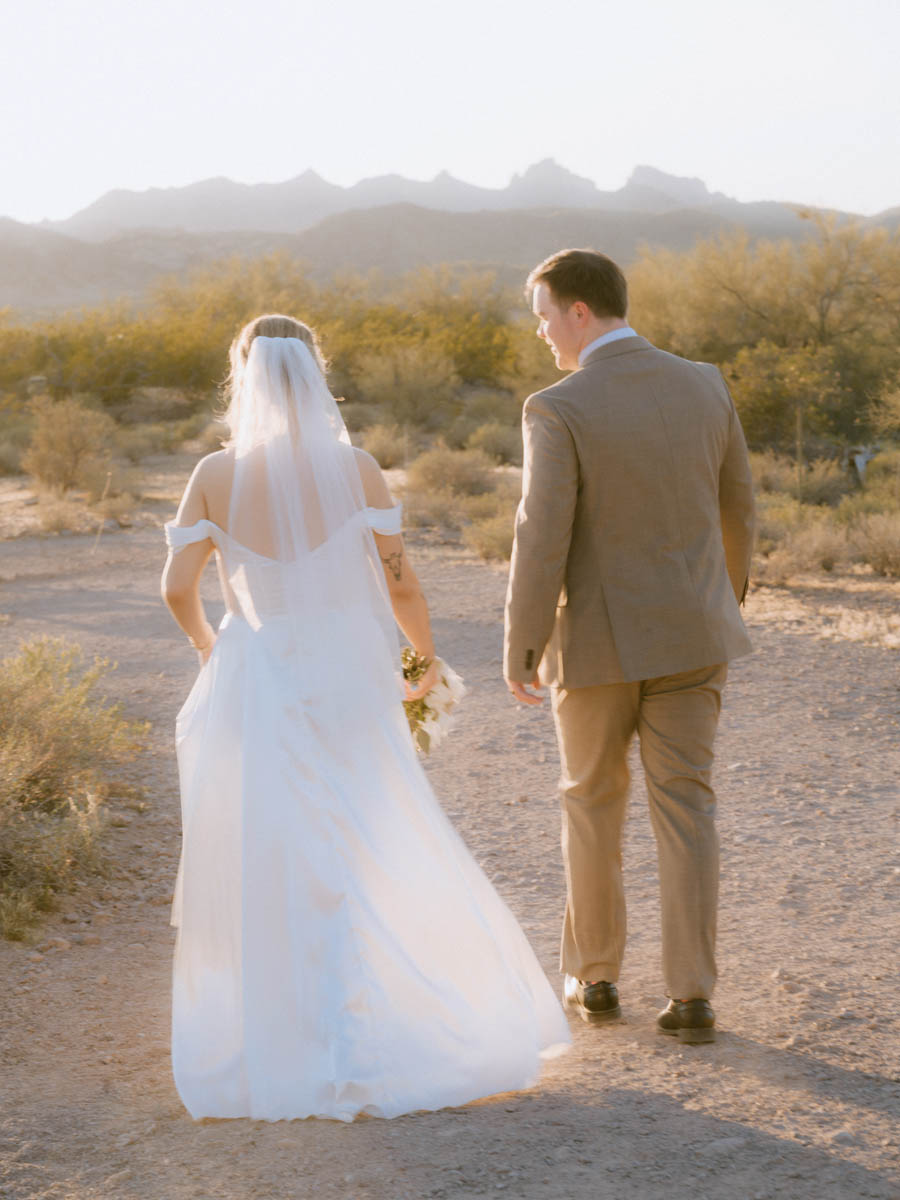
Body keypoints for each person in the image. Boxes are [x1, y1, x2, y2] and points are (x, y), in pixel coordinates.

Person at [161, 314, 568, 1122]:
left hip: (260, 671)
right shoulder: (359, 469)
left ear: (242, 374)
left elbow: (177, 588)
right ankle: (378, 1019)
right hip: (349, 675)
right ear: (317, 371)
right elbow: (403, 585)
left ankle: (285, 1032)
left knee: (271, 844)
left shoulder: (214, 472)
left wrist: (213, 645)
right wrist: (418, 664)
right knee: (365, 834)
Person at [504, 250, 755, 1044]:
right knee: (688, 806)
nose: (542, 333)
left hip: (597, 645)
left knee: (591, 802)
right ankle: (691, 998)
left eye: (544, 314)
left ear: (580, 311)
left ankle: (597, 978)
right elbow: (740, 507)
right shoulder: (706, 384)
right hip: (694, 633)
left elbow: (539, 538)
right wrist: (721, 600)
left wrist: (525, 639)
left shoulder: (558, 406)